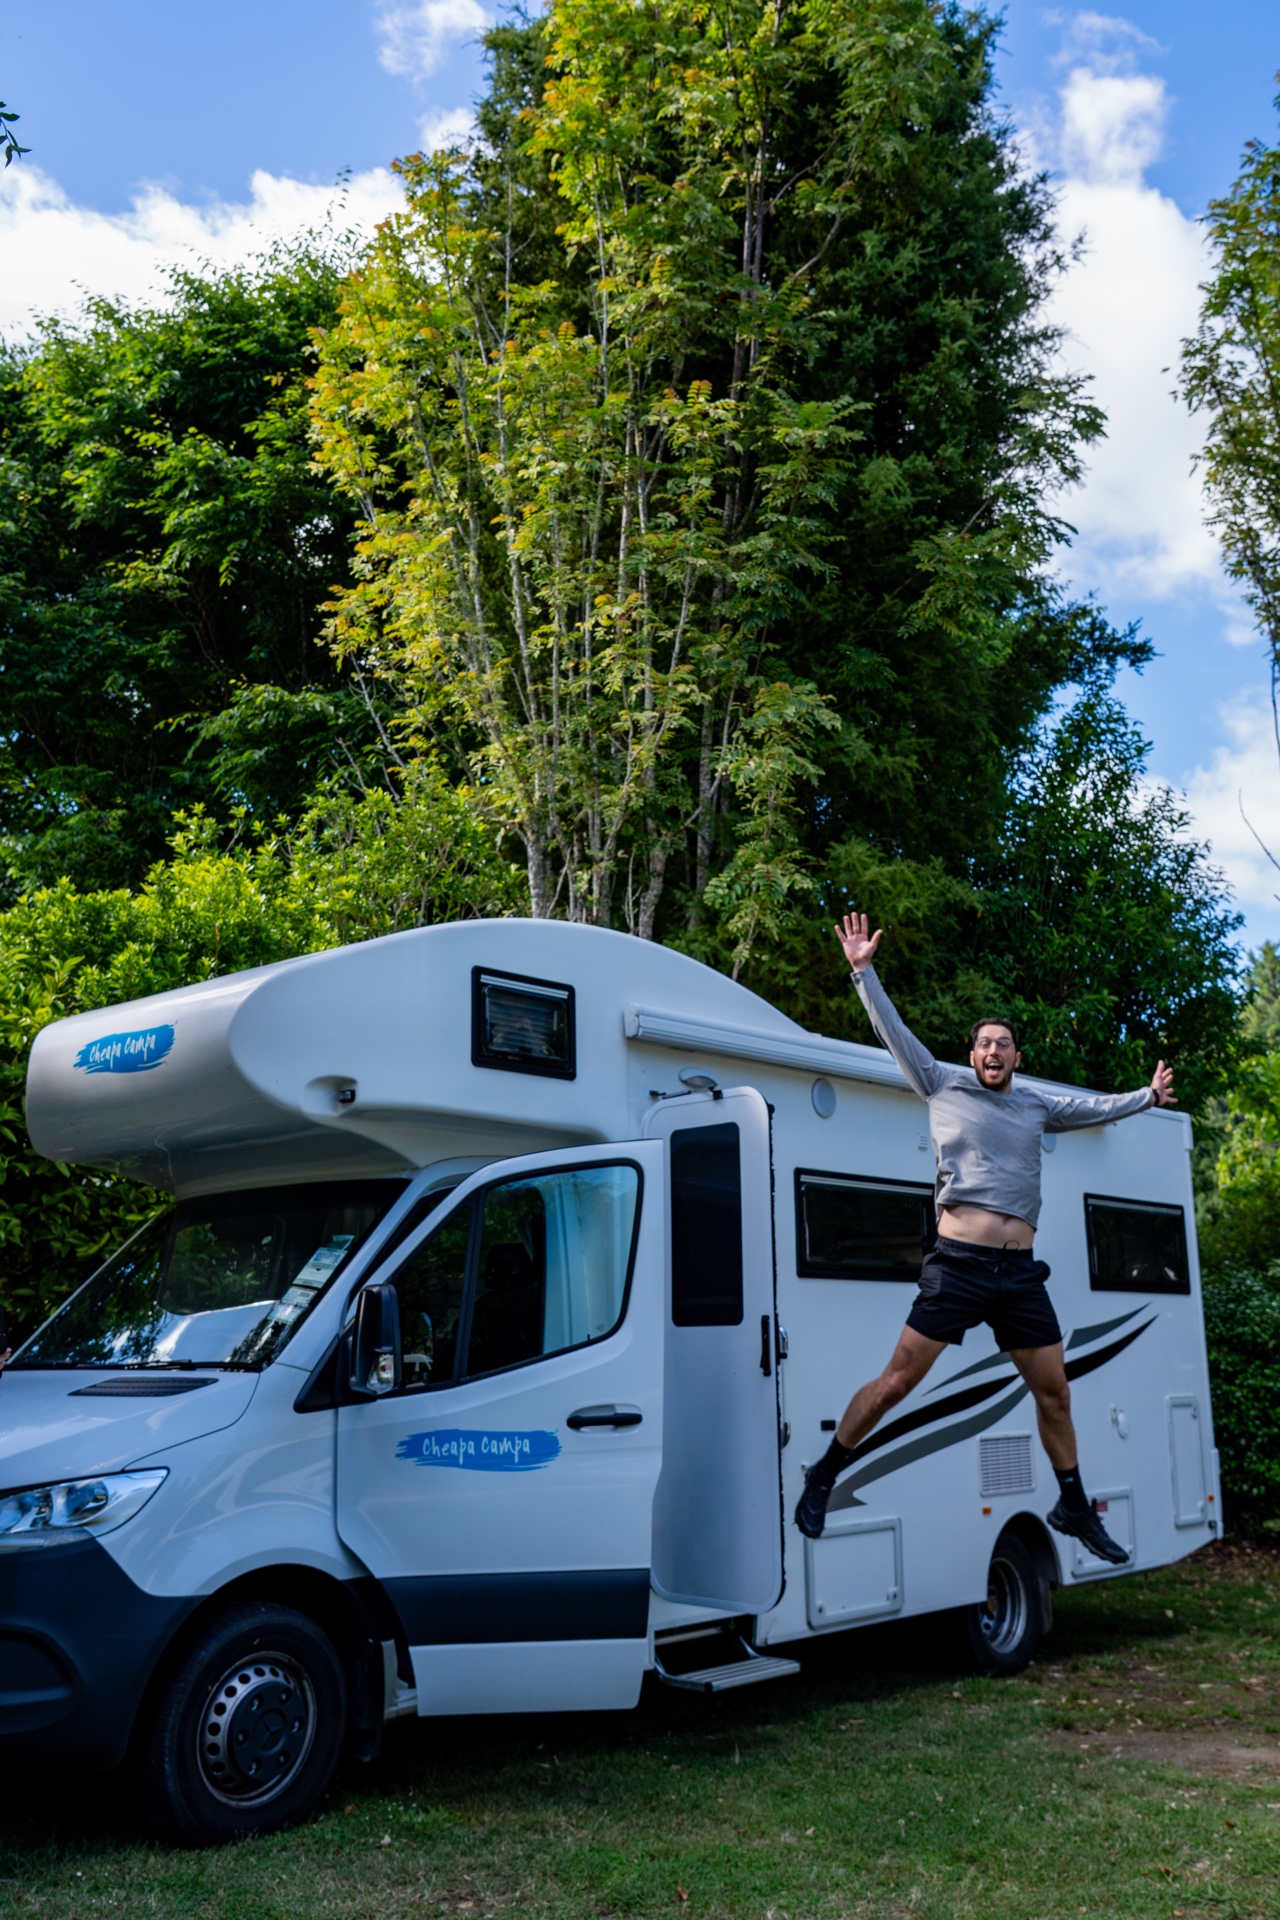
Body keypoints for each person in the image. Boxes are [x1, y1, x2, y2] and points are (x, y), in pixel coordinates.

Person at [795, 913, 1177, 1564]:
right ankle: (825, 1472)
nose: (993, 1052)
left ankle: (1072, 1504)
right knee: (895, 1384)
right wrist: (863, 972)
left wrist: (1146, 1096)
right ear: (971, 1055)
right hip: (958, 1265)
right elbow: (893, 1032)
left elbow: (1095, 1109)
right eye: (984, 1044)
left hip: (1019, 1274)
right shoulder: (940, 1082)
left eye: (1003, 1044)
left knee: (1055, 1392)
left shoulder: (1036, 1104)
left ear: (1017, 1057)